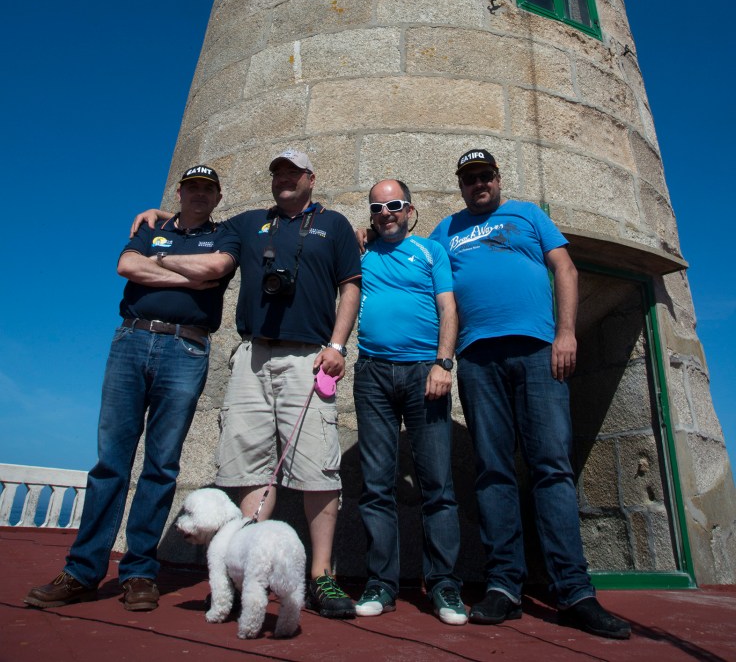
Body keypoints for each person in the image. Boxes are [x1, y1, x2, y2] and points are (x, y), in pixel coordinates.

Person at [131, 148, 362, 619]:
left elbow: (351, 286)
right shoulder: (248, 222)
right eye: (277, 173)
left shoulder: (334, 224)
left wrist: (337, 346)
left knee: (318, 466)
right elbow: (201, 227)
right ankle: (251, 574)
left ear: (311, 179)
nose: (284, 179)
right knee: (251, 464)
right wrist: (160, 217)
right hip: (252, 355)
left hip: (309, 354)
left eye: (293, 173)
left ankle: (321, 576)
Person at [429, 149, 631, 641]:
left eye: (485, 176)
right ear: (461, 186)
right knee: (493, 470)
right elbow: (423, 271)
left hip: (540, 351)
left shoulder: (528, 214)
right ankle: (504, 586)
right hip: (478, 359)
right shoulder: (446, 229)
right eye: (469, 178)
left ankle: (574, 592)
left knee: (551, 466)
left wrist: (567, 333)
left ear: (498, 178)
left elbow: (565, 269)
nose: (478, 184)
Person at [24, 166, 237, 613]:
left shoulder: (223, 236)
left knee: (161, 466)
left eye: (207, 189)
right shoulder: (151, 227)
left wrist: (156, 265)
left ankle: (139, 572)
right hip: (131, 339)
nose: (199, 195)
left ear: (217, 198)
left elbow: (216, 268)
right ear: (179, 193)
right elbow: (125, 265)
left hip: (187, 347)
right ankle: (82, 571)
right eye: (192, 187)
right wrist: (185, 275)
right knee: (110, 464)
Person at [353, 179, 467, 625]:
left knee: (437, 484)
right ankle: (382, 582)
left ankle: (444, 586)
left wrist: (444, 363)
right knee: (376, 484)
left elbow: (449, 307)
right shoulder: (360, 251)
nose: (386, 212)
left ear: (410, 209)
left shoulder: (430, 251)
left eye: (395, 205)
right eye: (378, 207)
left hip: (425, 372)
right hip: (373, 374)